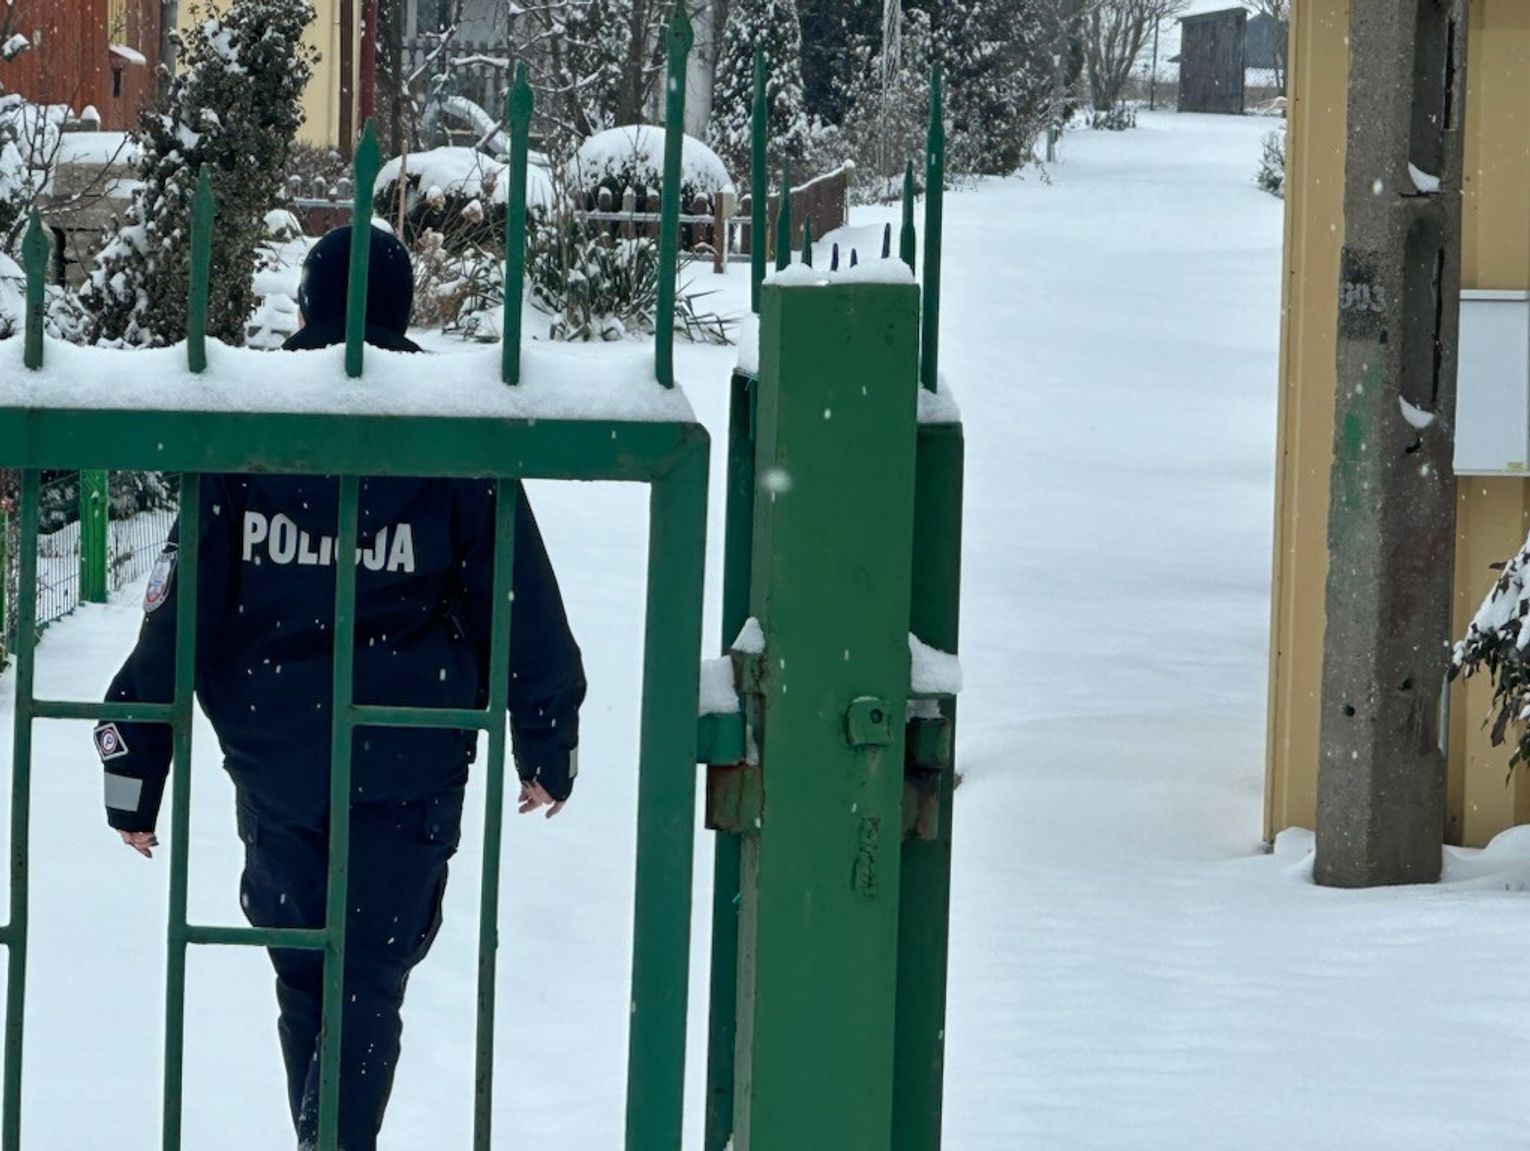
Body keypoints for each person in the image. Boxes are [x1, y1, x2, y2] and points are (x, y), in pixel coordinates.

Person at [93, 225, 586, 1151]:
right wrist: (547, 733)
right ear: (403, 308)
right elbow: (515, 588)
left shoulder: (257, 423)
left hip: (279, 751)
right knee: (364, 974)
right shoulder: (445, 425)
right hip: (408, 749)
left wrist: (134, 759)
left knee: (311, 975)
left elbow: (181, 601)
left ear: (308, 306)